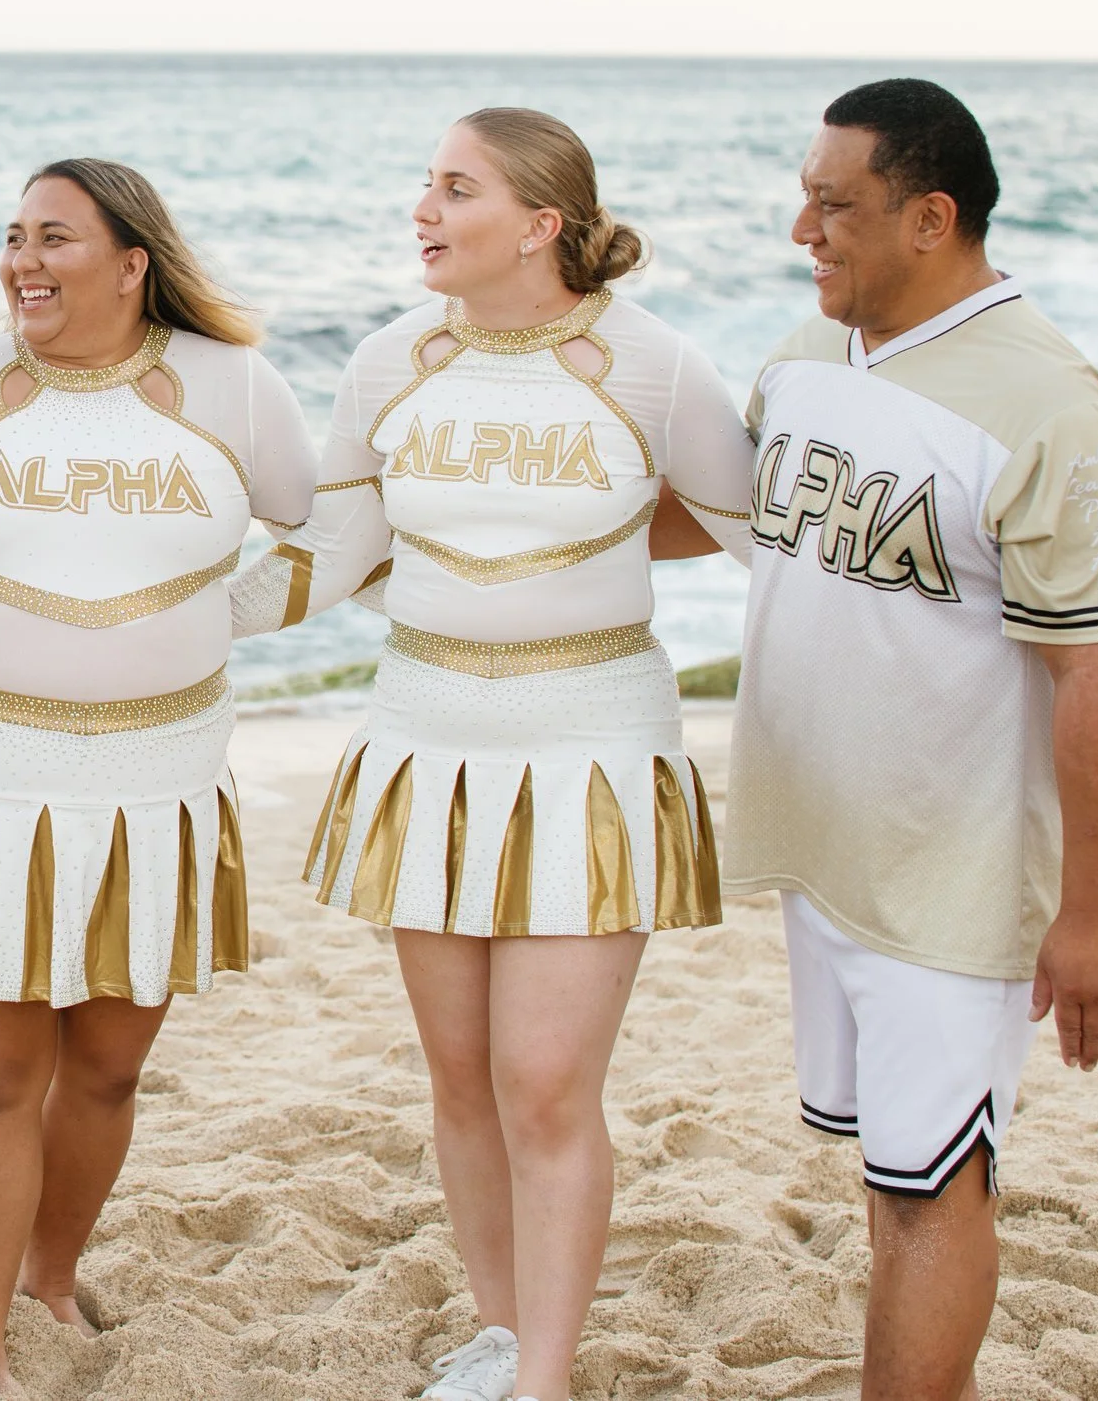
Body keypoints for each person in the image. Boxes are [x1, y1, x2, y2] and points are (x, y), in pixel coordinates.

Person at [230, 109, 757, 1401]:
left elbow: (760, 536)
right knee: (463, 1077)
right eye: (426, 183)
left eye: (455, 187)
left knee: (545, 1080)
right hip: (426, 748)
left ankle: (546, 1378)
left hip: (593, 753)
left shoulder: (652, 364)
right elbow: (330, 556)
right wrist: (165, 611)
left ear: (539, 224)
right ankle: (502, 1329)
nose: (423, 208)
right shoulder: (390, 359)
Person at [0, 158, 315, 1393]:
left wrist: (213, 616)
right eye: (12, 237)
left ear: (133, 261)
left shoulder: (232, 385)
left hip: (161, 783)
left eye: (53, 238)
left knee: (107, 1067)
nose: (21, 262)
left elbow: (332, 530)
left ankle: (49, 1273)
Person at [726, 79, 1098, 1400]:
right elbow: (732, 517)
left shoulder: (1049, 404)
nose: (803, 229)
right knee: (893, 1169)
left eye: (834, 205)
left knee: (933, 1185)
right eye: (804, 197)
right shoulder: (807, 351)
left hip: (953, 872)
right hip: (824, 851)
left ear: (930, 217)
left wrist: (1097, 909)